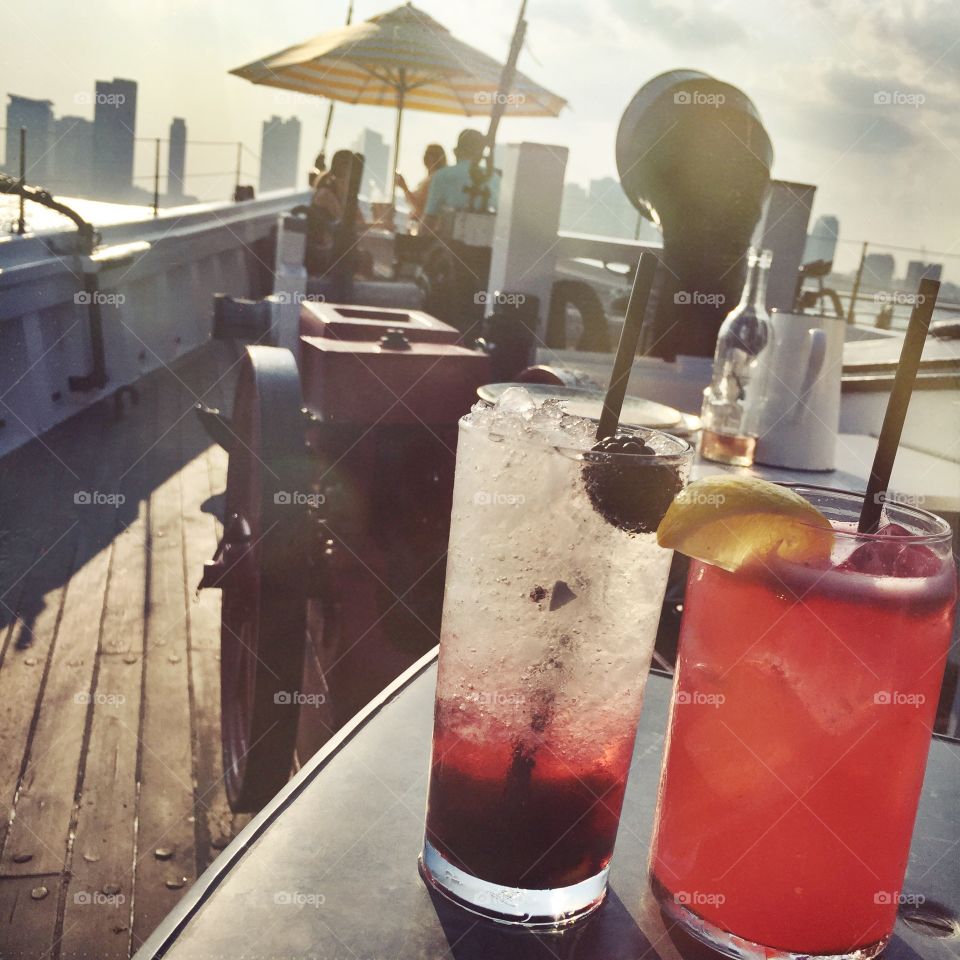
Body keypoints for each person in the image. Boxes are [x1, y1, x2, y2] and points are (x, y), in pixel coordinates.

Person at [305, 150, 369, 276]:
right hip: (324, 251)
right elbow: (347, 225)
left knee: (366, 255)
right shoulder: (326, 195)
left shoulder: (346, 196)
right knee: (365, 258)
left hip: (335, 246)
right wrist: (380, 225)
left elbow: (359, 222)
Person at [422, 129, 499, 230]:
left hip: (451, 242)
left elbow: (429, 220)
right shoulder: (494, 177)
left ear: (456, 151)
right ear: (481, 155)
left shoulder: (441, 176)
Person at [396, 144, 447, 224]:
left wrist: (404, 187)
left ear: (438, 158)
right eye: (426, 154)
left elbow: (421, 206)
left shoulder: (434, 180)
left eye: (430, 154)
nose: (425, 157)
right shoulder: (428, 179)